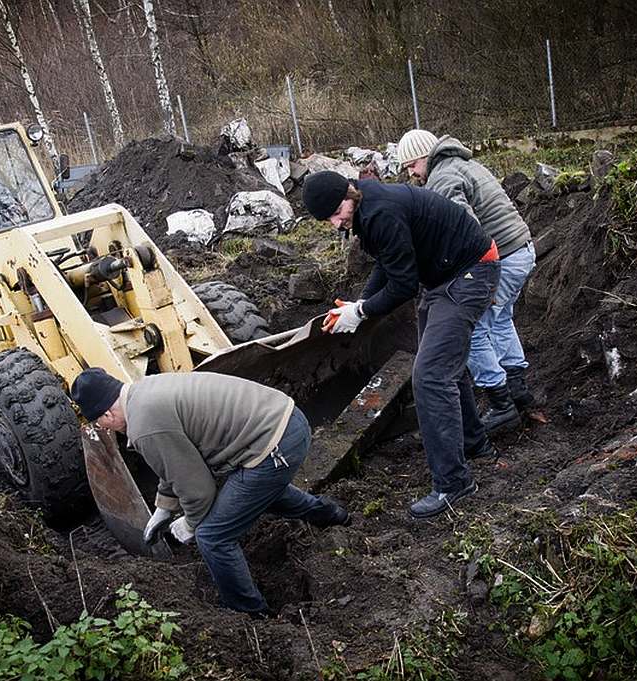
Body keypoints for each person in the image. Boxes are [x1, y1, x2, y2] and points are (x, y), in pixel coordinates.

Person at [70, 368, 350, 617]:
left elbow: (199, 489)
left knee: (213, 536)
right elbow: (176, 462)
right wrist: (164, 508)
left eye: (99, 422)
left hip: (274, 445)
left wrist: (189, 524)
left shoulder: (145, 426)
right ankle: (334, 515)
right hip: (285, 421)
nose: (102, 428)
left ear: (107, 413)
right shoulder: (145, 392)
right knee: (261, 494)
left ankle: (250, 614)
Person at [304, 171, 499, 518]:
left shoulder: (381, 213)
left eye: (336, 213)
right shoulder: (366, 207)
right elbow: (388, 263)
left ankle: (453, 483)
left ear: (347, 194)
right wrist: (359, 304)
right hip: (445, 277)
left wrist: (363, 311)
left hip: (469, 274)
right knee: (443, 368)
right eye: (329, 220)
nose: (335, 224)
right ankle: (475, 444)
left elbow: (404, 285)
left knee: (430, 376)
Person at [397, 129, 537, 433]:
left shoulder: (443, 179)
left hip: (503, 256)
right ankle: (518, 390)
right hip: (520, 248)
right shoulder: (464, 163)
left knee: (471, 332)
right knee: (500, 320)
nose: (411, 175)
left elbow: (463, 230)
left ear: (424, 156)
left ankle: (502, 405)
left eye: (411, 166)